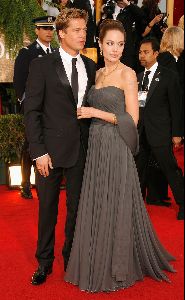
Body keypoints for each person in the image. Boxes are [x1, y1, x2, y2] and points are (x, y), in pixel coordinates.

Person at [64, 19, 176, 293]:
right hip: (96, 146)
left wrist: (95, 113)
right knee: (98, 201)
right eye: (110, 44)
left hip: (116, 145)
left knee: (115, 200)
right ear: (100, 45)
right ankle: (95, 257)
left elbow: (132, 119)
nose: (115, 49)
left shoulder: (128, 74)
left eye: (121, 44)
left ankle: (116, 262)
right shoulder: (98, 74)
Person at [24, 8, 96, 285]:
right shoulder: (42, 65)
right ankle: (44, 262)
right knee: (48, 211)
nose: (82, 35)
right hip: (49, 153)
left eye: (84, 30)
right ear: (62, 33)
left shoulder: (90, 66)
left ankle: (71, 259)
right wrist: (38, 151)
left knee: (77, 210)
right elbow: (32, 111)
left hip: (81, 149)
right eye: (76, 30)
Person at [136, 37, 184, 220]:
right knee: (139, 172)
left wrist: (177, 133)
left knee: (171, 170)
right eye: (140, 52)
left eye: (146, 52)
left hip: (161, 133)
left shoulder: (169, 76)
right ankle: (137, 207)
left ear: (156, 53)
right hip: (142, 134)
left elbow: (176, 107)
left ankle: (183, 203)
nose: (142, 55)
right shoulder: (138, 77)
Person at [13, 16, 56, 199]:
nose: (48, 32)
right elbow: (19, 82)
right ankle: (25, 184)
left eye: (50, 28)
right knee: (30, 144)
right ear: (36, 30)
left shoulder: (56, 52)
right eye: (44, 28)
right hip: (34, 106)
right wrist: (26, 104)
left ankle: (46, 181)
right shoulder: (27, 52)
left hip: (52, 108)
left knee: (49, 143)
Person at [146, 26, 185, 206]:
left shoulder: (171, 60)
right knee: (167, 164)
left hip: (161, 121)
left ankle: (157, 195)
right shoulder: (167, 61)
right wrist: (176, 130)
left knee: (157, 160)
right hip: (162, 122)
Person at [98, 0, 144, 70]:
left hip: (126, 52)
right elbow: (100, 28)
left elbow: (142, 16)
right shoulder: (109, 8)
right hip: (109, 52)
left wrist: (128, 4)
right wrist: (103, 15)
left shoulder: (131, 11)